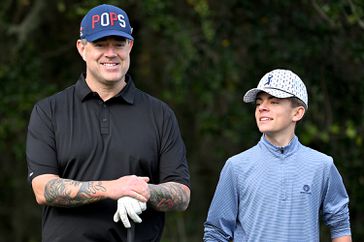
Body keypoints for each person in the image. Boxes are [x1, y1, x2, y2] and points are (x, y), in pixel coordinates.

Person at [26, 4, 190, 242]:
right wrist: (113, 188)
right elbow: (43, 189)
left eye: (119, 44)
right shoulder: (49, 111)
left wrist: (143, 191)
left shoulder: (160, 114)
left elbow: (182, 194)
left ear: (130, 46)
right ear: (82, 48)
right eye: (100, 44)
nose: (111, 53)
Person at [203, 69, 351, 242]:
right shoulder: (236, 167)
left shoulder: (322, 165)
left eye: (274, 102)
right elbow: (216, 233)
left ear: (297, 113)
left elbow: (340, 224)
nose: (262, 108)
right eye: (258, 103)